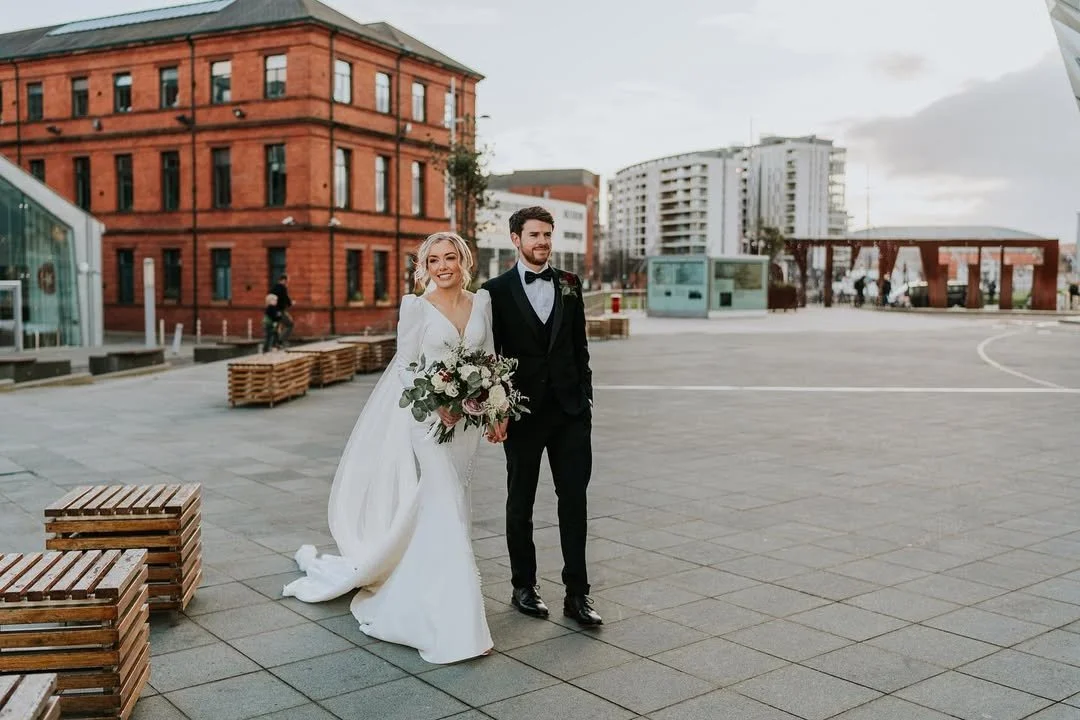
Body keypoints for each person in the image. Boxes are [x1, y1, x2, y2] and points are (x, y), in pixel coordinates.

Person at [283, 232, 495, 664]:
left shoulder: (482, 303)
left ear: (463, 260)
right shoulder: (415, 307)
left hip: (469, 424)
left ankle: (434, 591)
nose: (442, 266)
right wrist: (436, 407)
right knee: (446, 504)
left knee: (456, 508)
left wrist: (494, 408)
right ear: (425, 267)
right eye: (433, 260)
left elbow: (489, 359)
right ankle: (456, 623)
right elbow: (405, 368)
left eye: (449, 257)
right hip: (430, 424)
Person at [482, 206, 602, 626]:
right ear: (515, 239)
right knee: (521, 501)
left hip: (570, 412)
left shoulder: (570, 284)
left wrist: (585, 396)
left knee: (574, 502)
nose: (543, 242)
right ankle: (523, 586)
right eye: (534, 235)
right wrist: (497, 409)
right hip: (523, 413)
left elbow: (579, 344)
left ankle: (577, 594)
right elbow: (489, 356)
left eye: (548, 235)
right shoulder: (492, 291)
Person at [269, 274, 294, 346]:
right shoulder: (282, 288)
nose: (287, 283)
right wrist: (290, 303)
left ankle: (274, 344)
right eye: (286, 281)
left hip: (272, 311)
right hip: (279, 310)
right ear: (284, 280)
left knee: (276, 327)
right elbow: (286, 298)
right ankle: (280, 341)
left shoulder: (273, 288)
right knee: (290, 324)